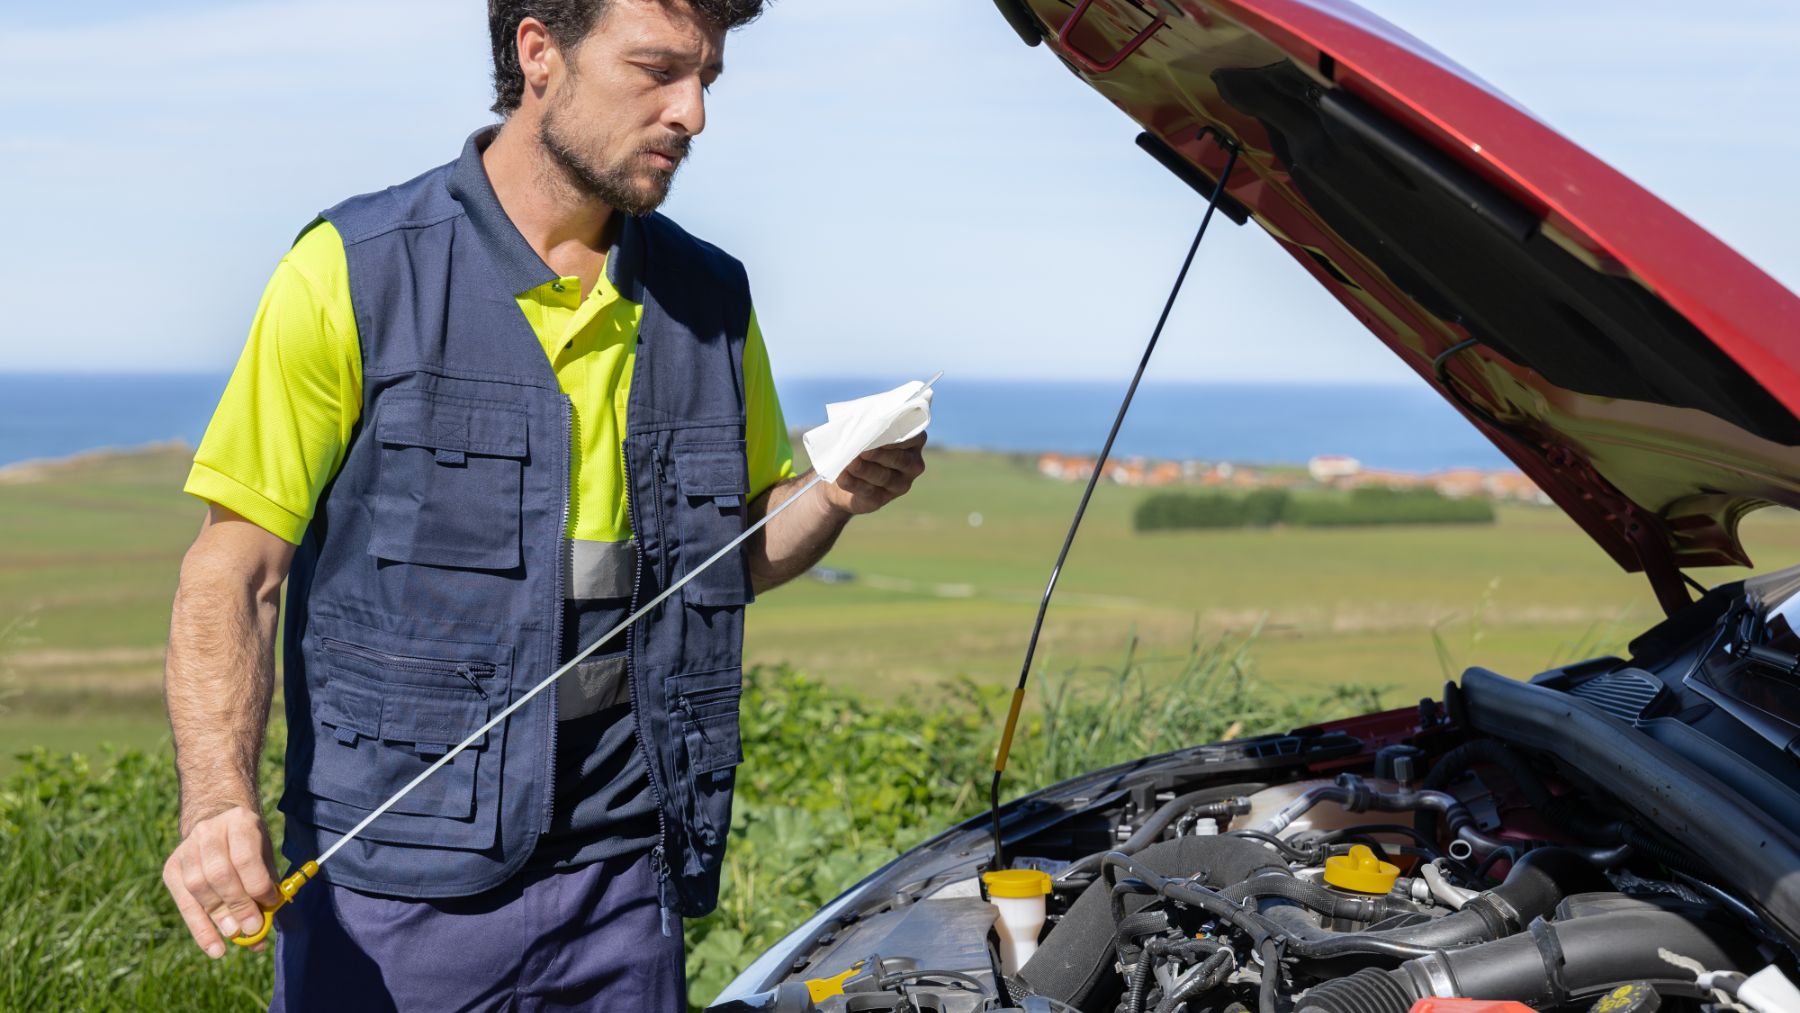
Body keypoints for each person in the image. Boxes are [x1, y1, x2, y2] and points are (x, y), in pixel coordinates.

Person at [158, 1, 927, 1008]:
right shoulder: (350, 270)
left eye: (707, 79)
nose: (692, 112)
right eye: (656, 69)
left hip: (626, 883)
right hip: (393, 890)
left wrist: (834, 493)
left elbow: (732, 555)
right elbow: (235, 569)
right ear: (539, 55)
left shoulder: (713, 299)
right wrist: (217, 801)